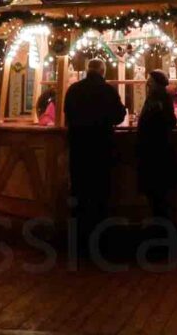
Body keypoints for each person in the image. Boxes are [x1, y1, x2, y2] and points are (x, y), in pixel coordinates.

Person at [64, 58, 126, 256]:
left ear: (87, 70)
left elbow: (67, 116)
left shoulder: (73, 90)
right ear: (103, 71)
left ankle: (77, 240)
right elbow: (118, 116)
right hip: (101, 149)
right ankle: (99, 240)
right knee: (100, 193)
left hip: (78, 149)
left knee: (79, 191)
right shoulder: (108, 90)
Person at [136, 69, 177, 221]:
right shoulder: (159, 97)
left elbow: (168, 120)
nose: (147, 82)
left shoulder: (158, 97)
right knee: (159, 195)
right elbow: (171, 120)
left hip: (155, 151)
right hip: (159, 150)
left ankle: (161, 228)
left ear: (156, 82)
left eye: (150, 80)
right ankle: (162, 227)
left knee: (157, 195)